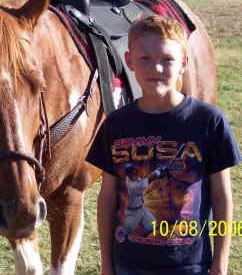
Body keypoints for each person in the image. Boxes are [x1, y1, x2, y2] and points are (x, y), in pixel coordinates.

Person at [86, 15, 240, 275]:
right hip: (128, 265)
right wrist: (106, 264)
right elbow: (107, 197)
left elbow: (222, 197)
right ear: (129, 62)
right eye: (145, 59)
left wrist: (221, 263)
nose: (156, 69)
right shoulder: (116, 124)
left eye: (167, 60)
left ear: (184, 63)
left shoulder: (208, 121)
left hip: (190, 265)